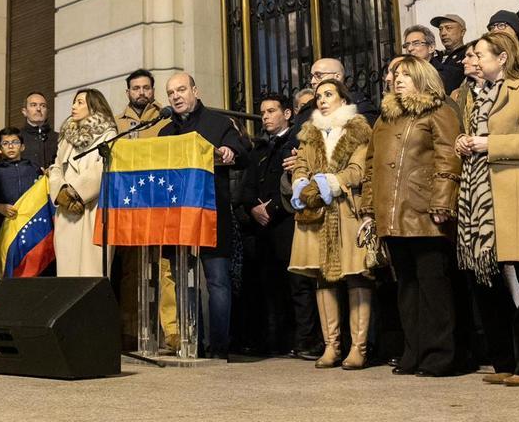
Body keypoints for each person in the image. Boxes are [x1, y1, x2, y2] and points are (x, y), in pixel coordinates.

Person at [455, 31, 519, 386]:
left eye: (480, 54)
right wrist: (464, 142)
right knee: (488, 280)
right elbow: (477, 135)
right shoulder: (477, 96)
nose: (475, 60)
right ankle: (505, 361)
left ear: (502, 58)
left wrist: (489, 143)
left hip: (516, 195)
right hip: (482, 199)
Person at [361, 56, 461, 376]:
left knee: (434, 287)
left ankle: (439, 355)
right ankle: (413, 352)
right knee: (406, 288)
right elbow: (371, 166)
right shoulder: (385, 118)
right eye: (394, 73)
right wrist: (368, 208)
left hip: (426, 211)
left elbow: (449, 160)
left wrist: (443, 203)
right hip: (393, 213)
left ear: (422, 77)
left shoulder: (440, 111)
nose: (397, 78)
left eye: (405, 74)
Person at [158, 72, 249, 359]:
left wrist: (229, 151)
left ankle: (220, 346)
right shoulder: (165, 133)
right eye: (171, 93)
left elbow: (242, 152)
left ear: (195, 90)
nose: (176, 96)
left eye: (181, 90)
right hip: (177, 216)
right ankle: (192, 342)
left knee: (217, 280)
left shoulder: (218, 123)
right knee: (183, 281)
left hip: (212, 211)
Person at [289, 78, 374, 369]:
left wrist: (332, 182)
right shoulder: (309, 133)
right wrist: (300, 182)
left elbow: (359, 168)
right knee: (323, 277)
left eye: (329, 94)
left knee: (356, 275)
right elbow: (301, 164)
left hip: (346, 209)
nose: (322, 100)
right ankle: (331, 346)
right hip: (318, 213)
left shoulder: (358, 130)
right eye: (318, 96)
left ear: (343, 99)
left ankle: (358, 347)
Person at [240, 92, 317, 358]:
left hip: (286, 221)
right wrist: (253, 208)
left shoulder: (296, 144)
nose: (265, 117)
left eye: (271, 111)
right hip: (261, 228)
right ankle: (271, 340)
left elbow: (292, 183)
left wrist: (270, 208)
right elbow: (247, 186)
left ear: (287, 114)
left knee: (296, 284)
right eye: (262, 112)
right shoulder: (259, 148)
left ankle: (303, 340)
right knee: (265, 286)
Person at [114, 68, 179, 350]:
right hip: (130, 204)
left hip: (162, 201)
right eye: (136, 88)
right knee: (131, 270)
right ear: (127, 92)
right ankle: (130, 330)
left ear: (153, 91)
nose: (141, 92)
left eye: (146, 87)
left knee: (164, 269)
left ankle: (171, 332)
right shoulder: (116, 123)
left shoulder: (167, 119)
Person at [48, 88, 117, 278]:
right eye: (74, 102)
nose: (73, 106)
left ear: (93, 106)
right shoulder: (66, 138)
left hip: (92, 209)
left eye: (79, 102)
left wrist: (75, 192)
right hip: (66, 210)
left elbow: (104, 167)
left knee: (91, 270)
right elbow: (55, 167)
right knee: (67, 272)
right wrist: (61, 192)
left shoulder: (108, 134)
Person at [0, 128, 42, 253]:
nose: (10, 146)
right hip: (4, 226)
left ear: (22, 147)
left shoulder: (33, 169)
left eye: (15, 142)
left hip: (31, 225)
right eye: (5, 143)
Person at [18, 92, 57, 171]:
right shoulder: (17, 138)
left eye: (43, 106)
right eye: (33, 105)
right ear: (24, 111)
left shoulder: (58, 138)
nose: (39, 109)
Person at [431, 15, 468, 94]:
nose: (443, 33)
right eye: (440, 29)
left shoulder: (468, 54)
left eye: (448, 28)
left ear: (462, 32)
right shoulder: (435, 56)